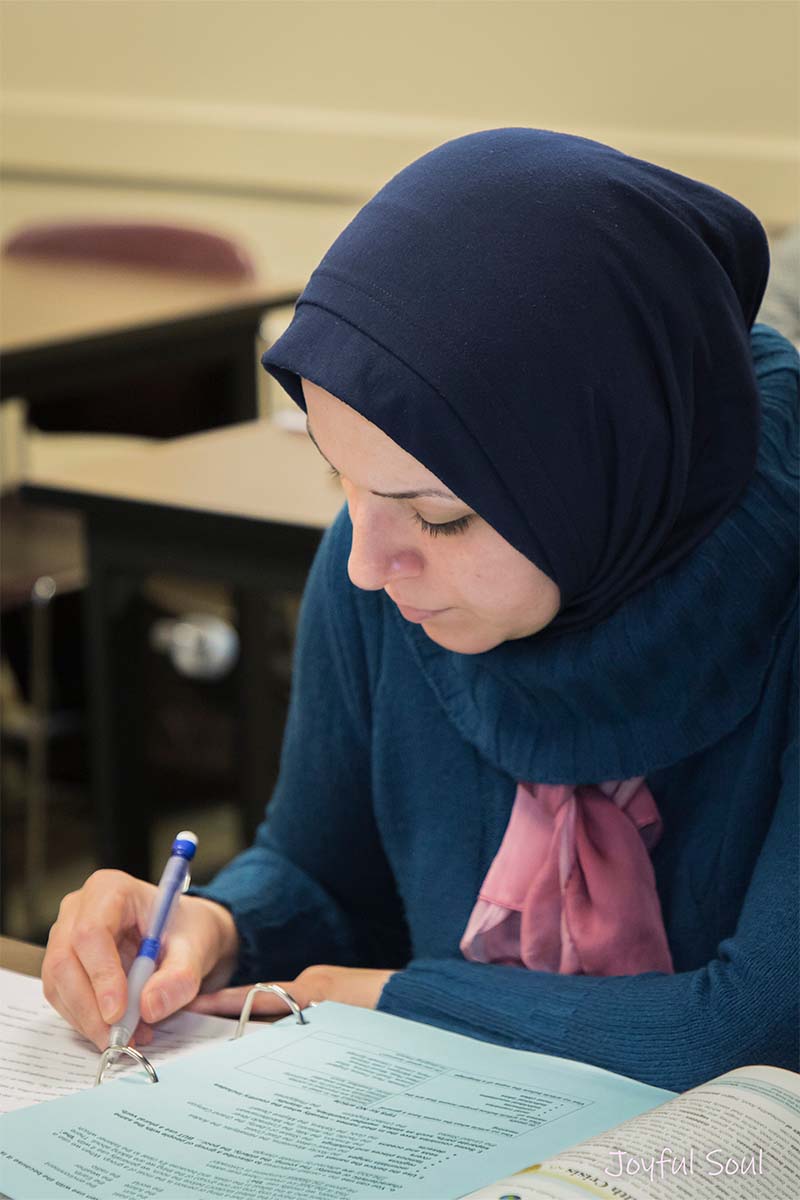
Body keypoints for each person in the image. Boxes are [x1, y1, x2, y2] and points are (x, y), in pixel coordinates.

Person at [42, 129, 798, 1093]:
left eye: (442, 517)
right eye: (340, 482)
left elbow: (758, 1034)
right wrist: (216, 928)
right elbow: (324, 875)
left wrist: (386, 1000)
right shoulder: (381, 576)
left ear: (609, 466)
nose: (365, 566)